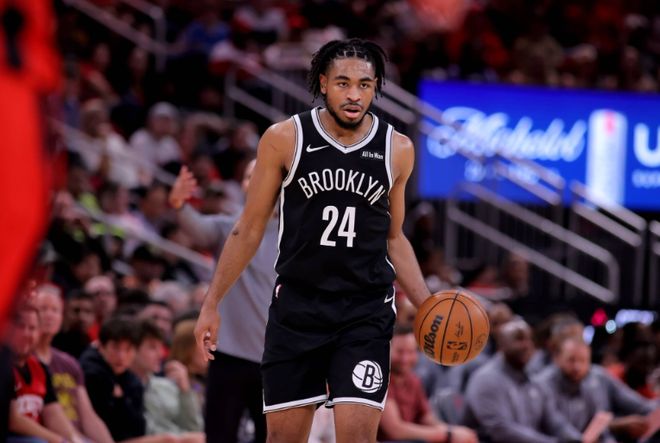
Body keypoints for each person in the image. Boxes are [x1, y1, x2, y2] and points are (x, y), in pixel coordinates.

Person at [195, 38, 434, 443]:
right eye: (343, 83)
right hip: (298, 309)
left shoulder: (397, 149)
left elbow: (394, 239)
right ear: (323, 83)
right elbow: (248, 228)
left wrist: (428, 305)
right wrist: (211, 303)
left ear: (376, 87)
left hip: (365, 311)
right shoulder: (285, 138)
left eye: (364, 84)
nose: (354, 94)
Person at [170, 159, 277, 443]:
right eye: (249, 176)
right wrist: (179, 204)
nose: (255, 181)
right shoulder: (229, 226)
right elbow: (198, 228)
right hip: (227, 353)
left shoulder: (297, 236)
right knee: (219, 436)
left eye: (262, 174)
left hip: (275, 359)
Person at [463, 319, 587, 443]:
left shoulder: (534, 380)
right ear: (502, 344)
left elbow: (553, 420)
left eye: (529, 339)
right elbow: (501, 430)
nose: (526, 345)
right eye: (519, 339)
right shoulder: (486, 380)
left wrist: (577, 439)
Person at [33, 283, 114, 443]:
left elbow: (88, 416)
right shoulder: (22, 361)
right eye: (43, 309)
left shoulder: (69, 363)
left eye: (55, 310)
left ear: (61, 317)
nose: (49, 315)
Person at [535, 336, 657, 442]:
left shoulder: (594, 379)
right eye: (571, 360)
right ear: (557, 358)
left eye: (582, 361)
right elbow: (557, 424)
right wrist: (580, 440)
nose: (577, 367)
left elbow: (601, 425)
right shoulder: (543, 384)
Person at [378, 326, 478, 442]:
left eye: (410, 352)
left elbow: (425, 416)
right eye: (400, 352)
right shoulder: (380, 380)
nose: (405, 359)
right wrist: (448, 435)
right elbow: (395, 430)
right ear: (387, 350)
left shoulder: (413, 380)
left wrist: (453, 431)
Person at [7, 304, 85, 443]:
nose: (26, 334)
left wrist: (75, 440)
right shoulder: (4, 367)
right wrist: (58, 440)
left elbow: (54, 415)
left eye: (32, 328)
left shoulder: (40, 367)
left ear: (39, 332)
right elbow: (13, 420)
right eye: (20, 327)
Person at [130, 320, 204, 440]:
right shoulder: (122, 387)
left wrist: (185, 391)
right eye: (152, 347)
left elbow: (194, 427)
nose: (160, 354)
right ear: (132, 349)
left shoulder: (165, 386)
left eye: (161, 347)